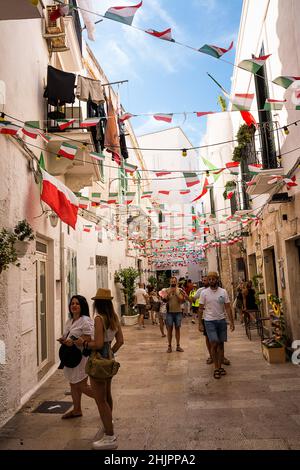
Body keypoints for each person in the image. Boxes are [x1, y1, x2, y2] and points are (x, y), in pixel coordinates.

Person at [75, 288, 124, 450]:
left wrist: (83, 343)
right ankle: (108, 423)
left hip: (98, 361)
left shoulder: (99, 319)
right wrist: (110, 354)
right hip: (109, 360)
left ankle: (110, 436)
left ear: (97, 303)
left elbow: (98, 343)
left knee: (100, 400)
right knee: (107, 395)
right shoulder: (114, 317)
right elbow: (120, 341)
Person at [57, 295, 95, 419]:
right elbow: (69, 336)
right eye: (72, 303)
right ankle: (77, 410)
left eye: (77, 304)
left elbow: (89, 338)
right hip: (70, 357)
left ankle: (103, 398)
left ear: (82, 306)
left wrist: (72, 342)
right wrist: (64, 340)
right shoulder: (70, 321)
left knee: (82, 385)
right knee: (73, 384)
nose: (74, 306)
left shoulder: (85, 320)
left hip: (80, 357)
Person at [198, 272, 235, 379]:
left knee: (221, 344)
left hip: (221, 321)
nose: (211, 281)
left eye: (213, 279)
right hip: (209, 321)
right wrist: (200, 323)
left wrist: (231, 322)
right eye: (209, 279)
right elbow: (200, 308)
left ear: (217, 279)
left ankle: (219, 366)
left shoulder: (223, 292)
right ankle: (216, 368)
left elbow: (227, 307)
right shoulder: (204, 293)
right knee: (214, 343)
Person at [165, 276, 185, 353]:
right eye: (171, 281)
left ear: (176, 282)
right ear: (170, 282)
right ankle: (169, 346)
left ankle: (178, 346)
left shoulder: (180, 290)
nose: (173, 283)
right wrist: (169, 293)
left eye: (174, 281)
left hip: (178, 312)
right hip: (169, 312)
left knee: (177, 329)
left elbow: (182, 300)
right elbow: (164, 300)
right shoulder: (166, 290)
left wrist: (176, 293)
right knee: (169, 330)